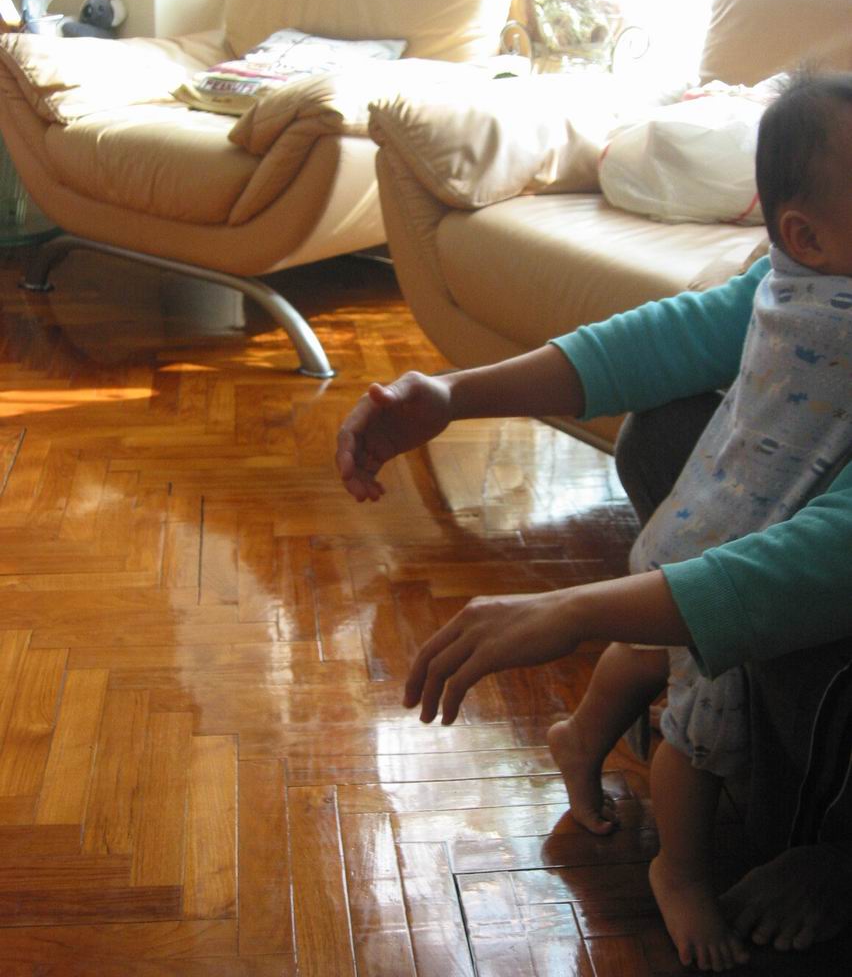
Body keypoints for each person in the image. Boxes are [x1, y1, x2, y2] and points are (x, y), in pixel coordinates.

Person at [336, 72, 852, 971]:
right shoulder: (804, 280)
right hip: (760, 535)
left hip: (795, 565)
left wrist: (576, 609)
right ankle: (671, 818)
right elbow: (685, 333)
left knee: (693, 692)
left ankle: (796, 848)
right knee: (668, 459)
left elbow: (830, 555)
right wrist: (451, 395)